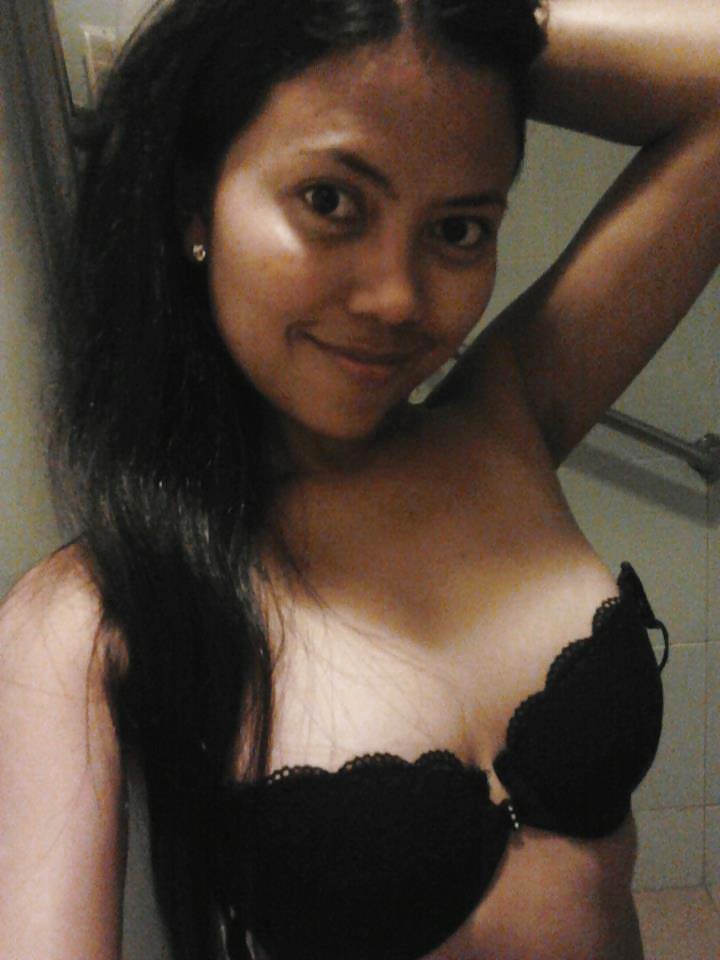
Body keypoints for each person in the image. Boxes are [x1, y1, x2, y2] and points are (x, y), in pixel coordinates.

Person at [1, 0, 718, 958]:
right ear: (193, 203)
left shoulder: (504, 418)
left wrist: (450, 30)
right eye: (331, 202)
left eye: (458, 228)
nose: (397, 298)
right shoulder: (82, 619)